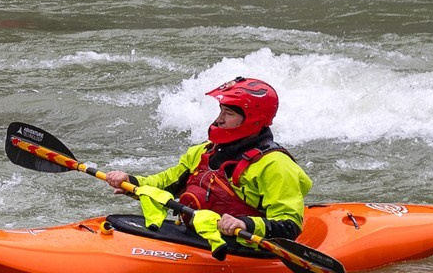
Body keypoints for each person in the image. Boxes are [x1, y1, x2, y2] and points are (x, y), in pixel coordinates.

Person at [94, 77, 311, 257]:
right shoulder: (204, 152)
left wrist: (245, 224)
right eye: (221, 110)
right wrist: (132, 182)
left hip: (242, 248)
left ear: (253, 119)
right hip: (197, 236)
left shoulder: (276, 165)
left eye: (229, 113)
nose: (218, 120)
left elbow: (289, 225)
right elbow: (166, 184)